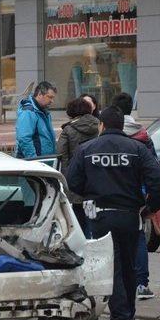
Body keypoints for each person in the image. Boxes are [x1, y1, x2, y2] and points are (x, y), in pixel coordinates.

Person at [67, 107, 160, 320]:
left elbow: (72, 182)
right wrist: (151, 207)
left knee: (113, 268)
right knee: (129, 266)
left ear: (101, 125)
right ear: (122, 125)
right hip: (130, 216)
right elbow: (158, 179)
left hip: (100, 216)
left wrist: (91, 192)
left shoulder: (86, 149)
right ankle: (128, 315)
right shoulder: (137, 149)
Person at [112, 92, 157, 300]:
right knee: (138, 237)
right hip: (137, 194)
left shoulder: (110, 135)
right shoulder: (143, 134)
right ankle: (141, 284)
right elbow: (154, 167)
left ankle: (118, 283)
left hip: (113, 194)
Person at [56, 97, 99, 236]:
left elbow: (61, 155)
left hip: (76, 181)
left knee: (78, 220)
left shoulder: (68, 130)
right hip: (97, 179)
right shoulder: (99, 126)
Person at [15, 81, 57, 159]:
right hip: (34, 162)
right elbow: (24, 138)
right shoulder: (28, 111)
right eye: (50, 97)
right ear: (40, 94)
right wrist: (33, 159)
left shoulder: (43, 111)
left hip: (43, 160)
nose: (52, 101)